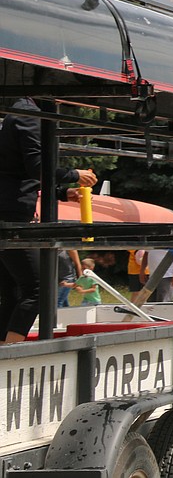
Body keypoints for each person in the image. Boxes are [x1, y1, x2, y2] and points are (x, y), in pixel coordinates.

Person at [0, 98, 97, 343]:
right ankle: (10, 354)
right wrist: (75, 175)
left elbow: (18, 172)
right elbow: (35, 168)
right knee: (39, 289)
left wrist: (63, 192)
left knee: (13, 291)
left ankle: (5, 349)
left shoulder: (18, 113)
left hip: (9, 211)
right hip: (11, 216)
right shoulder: (28, 117)